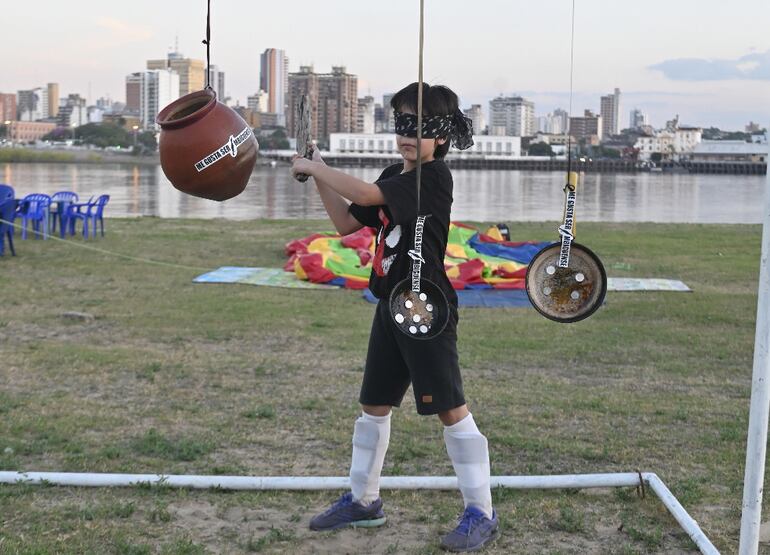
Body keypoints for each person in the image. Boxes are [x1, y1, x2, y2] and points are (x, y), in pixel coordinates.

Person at [291, 82, 498, 552]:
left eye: (422, 126)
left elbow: (365, 191)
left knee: (450, 408)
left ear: (442, 137)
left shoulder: (432, 179)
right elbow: (346, 223)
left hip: (427, 309)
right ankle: (364, 501)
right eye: (402, 122)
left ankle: (481, 511)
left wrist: (314, 166)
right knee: (374, 405)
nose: (408, 134)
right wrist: (321, 175)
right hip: (389, 305)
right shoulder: (393, 174)